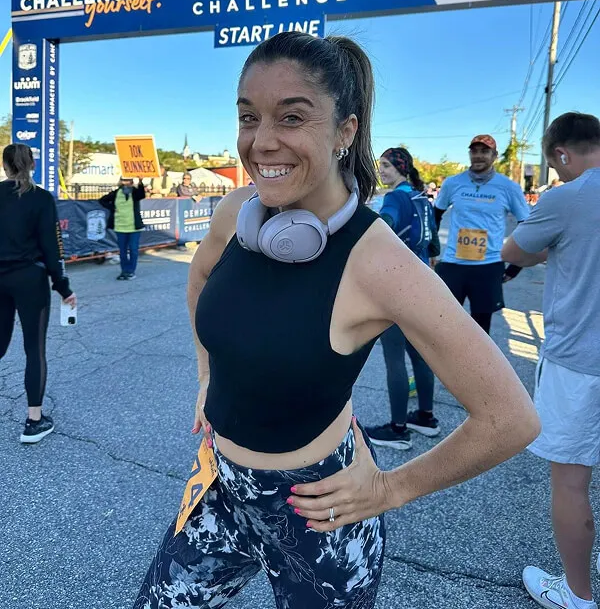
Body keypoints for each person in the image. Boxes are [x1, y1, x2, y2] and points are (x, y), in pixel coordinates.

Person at [134, 32, 539, 609]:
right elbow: (198, 280)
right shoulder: (235, 213)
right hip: (219, 488)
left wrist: (390, 488)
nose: (262, 142)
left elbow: (510, 418)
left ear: (345, 131)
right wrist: (207, 375)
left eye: (291, 117)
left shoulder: (381, 263)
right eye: (249, 117)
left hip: (320, 514)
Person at [502, 112, 600, 609]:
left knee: (571, 481)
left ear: (561, 154)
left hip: (581, 362)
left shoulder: (570, 196)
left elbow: (515, 250)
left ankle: (579, 594)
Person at [366, 147, 442, 451]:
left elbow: (381, 225)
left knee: (394, 358)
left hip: (396, 287)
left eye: (385, 166)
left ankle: (398, 429)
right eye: (379, 165)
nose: (381, 171)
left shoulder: (395, 197)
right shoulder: (422, 197)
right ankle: (426, 416)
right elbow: (434, 244)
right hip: (422, 284)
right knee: (421, 355)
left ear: (400, 167)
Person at [0, 144, 76, 443]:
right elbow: (52, 247)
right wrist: (63, 287)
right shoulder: (41, 198)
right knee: (34, 349)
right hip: (30, 278)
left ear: (5, 165)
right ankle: (34, 421)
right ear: (32, 164)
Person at [433, 134, 530, 334]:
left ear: (494, 155)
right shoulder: (453, 183)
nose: (478, 156)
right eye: (474, 151)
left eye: (484, 151)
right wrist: (432, 249)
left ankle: (474, 365)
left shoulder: (508, 187)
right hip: (453, 264)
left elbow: (527, 225)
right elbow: (435, 215)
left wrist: (516, 266)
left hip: (488, 266)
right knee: (443, 324)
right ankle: (446, 365)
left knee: (480, 329)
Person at [99, 176, 145, 280]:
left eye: (128, 180)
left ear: (131, 181)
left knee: (133, 250)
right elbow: (102, 200)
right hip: (120, 226)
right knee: (122, 251)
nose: (126, 182)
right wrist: (112, 208)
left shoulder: (135, 192)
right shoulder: (116, 193)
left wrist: (141, 181)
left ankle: (131, 271)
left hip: (134, 227)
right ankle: (124, 271)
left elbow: (142, 194)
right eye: (124, 180)